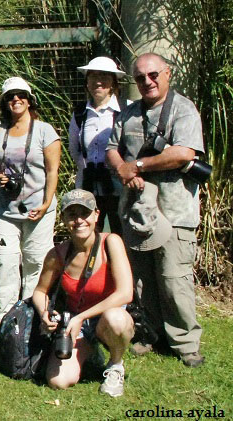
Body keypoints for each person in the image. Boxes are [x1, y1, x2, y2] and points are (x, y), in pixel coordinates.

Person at [105, 52, 205, 367]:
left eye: (153, 75)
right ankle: (150, 333)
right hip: (138, 212)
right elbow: (112, 149)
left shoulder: (183, 110)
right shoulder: (128, 113)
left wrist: (137, 166)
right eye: (140, 77)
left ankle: (186, 343)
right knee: (142, 279)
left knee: (174, 279)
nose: (147, 81)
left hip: (174, 212)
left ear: (167, 73)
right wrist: (123, 170)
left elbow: (184, 153)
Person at [31, 189, 134, 397]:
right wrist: (44, 313)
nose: (79, 220)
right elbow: (40, 292)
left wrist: (81, 317)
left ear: (96, 215)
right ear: (63, 219)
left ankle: (115, 365)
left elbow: (125, 293)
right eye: (72, 214)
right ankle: (90, 352)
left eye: (85, 213)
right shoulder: (57, 254)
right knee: (57, 381)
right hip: (77, 324)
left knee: (116, 319)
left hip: (107, 317)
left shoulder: (110, 242)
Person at [0, 77, 61, 327]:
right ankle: (5, 311)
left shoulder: (45, 131)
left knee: (36, 260)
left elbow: (52, 171)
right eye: (10, 96)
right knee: (4, 258)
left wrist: (46, 203)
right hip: (4, 208)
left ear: (29, 100)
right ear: (4, 102)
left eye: (21, 95)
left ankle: (31, 308)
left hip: (38, 206)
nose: (16, 100)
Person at [68, 56, 126, 233]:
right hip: (88, 188)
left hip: (119, 190)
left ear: (114, 82)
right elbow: (75, 150)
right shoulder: (80, 114)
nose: (98, 82)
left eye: (104, 76)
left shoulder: (126, 110)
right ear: (87, 82)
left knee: (120, 235)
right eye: (93, 76)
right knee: (91, 236)